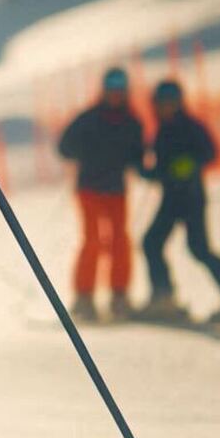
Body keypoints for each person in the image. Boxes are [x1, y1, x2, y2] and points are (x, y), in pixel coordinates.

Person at [137, 79, 220, 324]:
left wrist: (185, 166)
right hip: (173, 197)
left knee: (196, 247)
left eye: (170, 102)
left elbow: (209, 152)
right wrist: (144, 169)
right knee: (152, 243)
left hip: (190, 197)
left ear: (179, 103)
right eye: (162, 103)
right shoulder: (162, 129)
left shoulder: (188, 126)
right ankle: (164, 297)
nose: (166, 107)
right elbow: (163, 170)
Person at [57, 68, 144, 321]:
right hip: (90, 189)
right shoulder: (89, 118)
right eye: (112, 89)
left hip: (116, 190)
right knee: (93, 240)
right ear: (105, 91)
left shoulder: (131, 122)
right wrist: (84, 153)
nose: (115, 95)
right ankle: (84, 298)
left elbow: (138, 154)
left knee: (119, 241)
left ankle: (119, 296)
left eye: (120, 90)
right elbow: (64, 146)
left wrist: (146, 168)